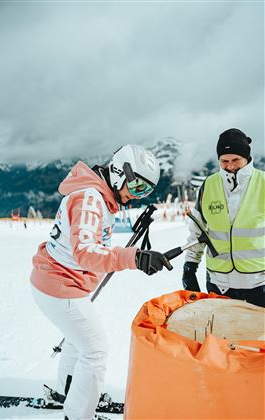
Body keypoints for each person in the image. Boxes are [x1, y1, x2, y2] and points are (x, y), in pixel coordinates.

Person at [30, 144, 172, 420]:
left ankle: (67, 393)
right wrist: (135, 258)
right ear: (120, 173)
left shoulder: (96, 196)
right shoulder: (89, 199)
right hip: (59, 286)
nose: (136, 196)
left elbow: (86, 245)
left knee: (77, 341)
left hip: (59, 282)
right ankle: (79, 414)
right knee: (95, 351)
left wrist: (131, 257)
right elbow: (85, 252)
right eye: (137, 187)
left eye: (145, 192)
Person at [182, 128, 265, 307]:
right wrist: (189, 267)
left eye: (236, 160)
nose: (230, 166)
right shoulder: (209, 185)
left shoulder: (263, 183)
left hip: (259, 284)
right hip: (219, 284)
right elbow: (197, 231)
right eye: (224, 161)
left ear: (247, 158)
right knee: (220, 335)